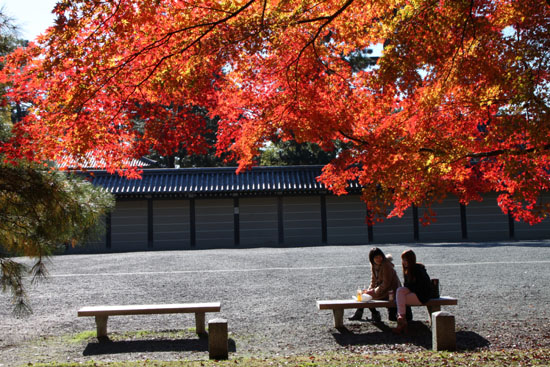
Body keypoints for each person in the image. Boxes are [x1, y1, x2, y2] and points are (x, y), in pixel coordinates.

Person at [349, 247, 400, 322]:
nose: (379, 259)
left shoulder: (386, 265)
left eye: (380, 257)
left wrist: (373, 291)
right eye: (376, 257)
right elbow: (373, 281)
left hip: (390, 291)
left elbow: (386, 283)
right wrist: (369, 290)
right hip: (383, 290)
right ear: (372, 259)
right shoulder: (374, 265)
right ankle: (371, 314)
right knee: (365, 295)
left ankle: (373, 314)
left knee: (366, 297)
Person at [392, 249, 432, 334]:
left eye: (406, 260)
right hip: (414, 293)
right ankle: (402, 318)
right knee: (400, 291)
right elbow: (408, 286)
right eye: (403, 260)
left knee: (399, 299)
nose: (404, 262)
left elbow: (420, 287)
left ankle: (401, 320)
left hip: (421, 296)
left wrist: (408, 289)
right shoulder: (408, 270)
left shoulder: (417, 270)